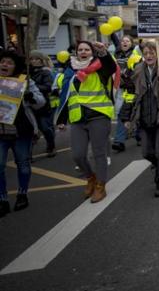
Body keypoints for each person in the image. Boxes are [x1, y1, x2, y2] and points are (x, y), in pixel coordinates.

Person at [56, 41, 117, 203]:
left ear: (92, 52)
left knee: (99, 153)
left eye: (87, 49)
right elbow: (66, 94)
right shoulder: (70, 69)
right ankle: (91, 177)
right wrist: (61, 118)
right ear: (76, 52)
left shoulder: (100, 66)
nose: (83, 52)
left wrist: (103, 52)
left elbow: (111, 67)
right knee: (77, 155)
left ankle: (100, 186)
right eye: (80, 49)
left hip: (99, 115)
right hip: (77, 118)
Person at [120, 41, 159, 197]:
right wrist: (126, 116)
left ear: (157, 53)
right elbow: (131, 94)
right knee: (147, 153)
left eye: (151, 53)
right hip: (144, 118)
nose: (148, 56)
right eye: (145, 53)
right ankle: (157, 164)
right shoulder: (137, 71)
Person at [0, 52, 45, 217]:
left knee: (23, 165)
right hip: (0, 133)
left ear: (15, 66)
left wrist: (30, 96)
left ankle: (22, 194)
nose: (4, 65)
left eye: (9, 62)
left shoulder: (25, 81)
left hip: (21, 132)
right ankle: (2, 200)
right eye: (2, 62)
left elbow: (41, 102)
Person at [112, 35, 138, 152]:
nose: (124, 42)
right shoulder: (116, 55)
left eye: (127, 41)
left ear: (132, 44)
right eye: (123, 41)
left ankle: (136, 136)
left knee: (132, 113)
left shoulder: (136, 54)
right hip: (120, 89)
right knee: (120, 113)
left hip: (133, 89)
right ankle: (121, 140)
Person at [28, 51, 57, 157]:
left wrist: (32, 86)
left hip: (42, 104)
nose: (33, 61)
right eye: (31, 59)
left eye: (36, 59)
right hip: (29, 104)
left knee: (45, 128)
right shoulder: (27, 72)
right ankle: (27, 154)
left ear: (41, 60)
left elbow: (48, 87)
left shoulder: (46, 72)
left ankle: (51, 146)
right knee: (29, 130)